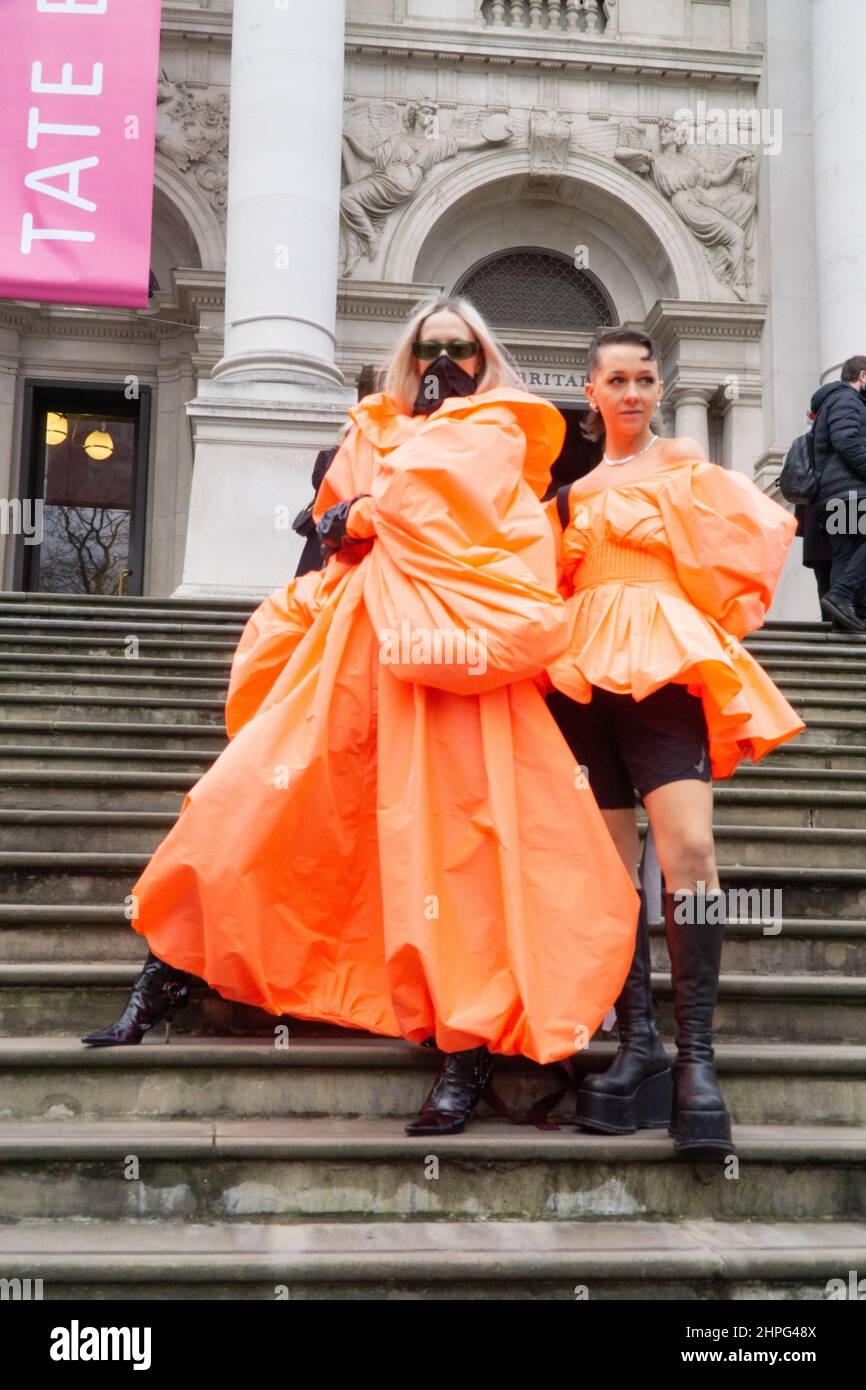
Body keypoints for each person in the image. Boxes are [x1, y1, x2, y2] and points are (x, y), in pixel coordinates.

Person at [81, 296, 639, 1139]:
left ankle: (469, 1048)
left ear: (484, 360)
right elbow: (339, 527)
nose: (444, 365)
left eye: (461, 350)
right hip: (354, 644)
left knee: (464, 849)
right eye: (430, 350)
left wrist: (364, 514)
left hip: (455, 657)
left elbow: (462, 519)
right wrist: (344, 522)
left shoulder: (497, 428)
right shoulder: (369, 428)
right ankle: (169, 969)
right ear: (406, 358)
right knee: (261, 800)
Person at [545, 328, 805, 1157]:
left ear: (660, 389)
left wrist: (678, 545)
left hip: (664, 659)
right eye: (615, 379)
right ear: (591, 392)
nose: (631, 392)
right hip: (583, 676)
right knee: (612, 866)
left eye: (645, 378)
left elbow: (751, 543)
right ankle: (640, 1047)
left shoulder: (684, 456)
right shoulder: (572, 492)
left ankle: (698, 1060)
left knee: (690, 849)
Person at [811, 355, 866, 633]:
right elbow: (846, 440)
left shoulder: (831, 402)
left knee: (845, 554)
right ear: (863, 376)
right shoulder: (847, 399)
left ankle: (843, 619)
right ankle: (842, 595)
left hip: (834, 495)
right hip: (849, 493)